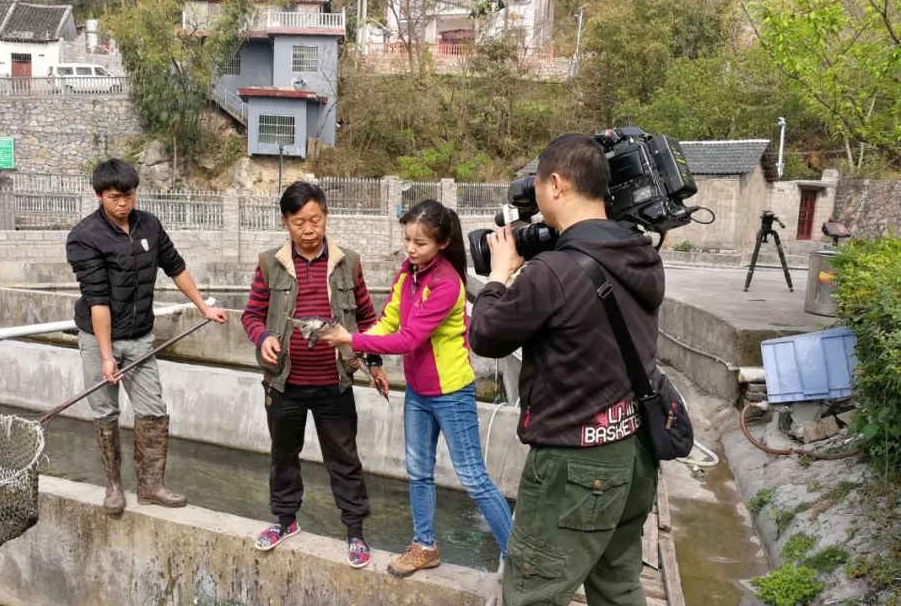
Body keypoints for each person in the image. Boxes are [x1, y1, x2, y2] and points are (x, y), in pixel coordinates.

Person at [469, 134, 663, 606]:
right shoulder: (641, 253)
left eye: (536, 186)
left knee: (532, 592)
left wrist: (499, 273)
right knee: (618, 586)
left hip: (575, 465)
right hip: (633, 451)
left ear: (555, 184)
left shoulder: (552, 272)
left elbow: (487, 334)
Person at [320, 199, 513, 578]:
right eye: (407, 239)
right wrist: (354, 343)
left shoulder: (446, 283)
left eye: (420, 243)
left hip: (452, 391)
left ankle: (518, 558)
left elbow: (409, 339)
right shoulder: (408, 273)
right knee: (418, 471)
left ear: (442, 243)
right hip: (419, 393)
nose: (410, 249)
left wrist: (352, 340)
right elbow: (389, 320)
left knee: (472, 476)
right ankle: (424, 546)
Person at [66, 158, 228, 515]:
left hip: (139, 336)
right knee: (105, 410)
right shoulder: (84, 237)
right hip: (99, 336)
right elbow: (98, 301)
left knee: (153, 410)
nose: (123, 204)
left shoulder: (149, 226)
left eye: (129, 196)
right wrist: (107, 356)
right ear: (99, 196)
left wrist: (203, 306)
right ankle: (112, 486)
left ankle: (151, 485)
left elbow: (175, 267)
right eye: (114, 197)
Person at [240, 181, 389, 569]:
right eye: (299, 223)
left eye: (316, 220)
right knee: (283, 455)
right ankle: (286, 521)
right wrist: (263, 339)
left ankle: (355, 531)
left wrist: (373, 363)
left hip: (334, 382)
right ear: (285, 222)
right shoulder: (269, 262)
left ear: (326, 216)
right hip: (283, 382)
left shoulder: (348, 262)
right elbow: (252, 315)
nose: (309, 230)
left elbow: (368, 319)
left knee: (344, 458)